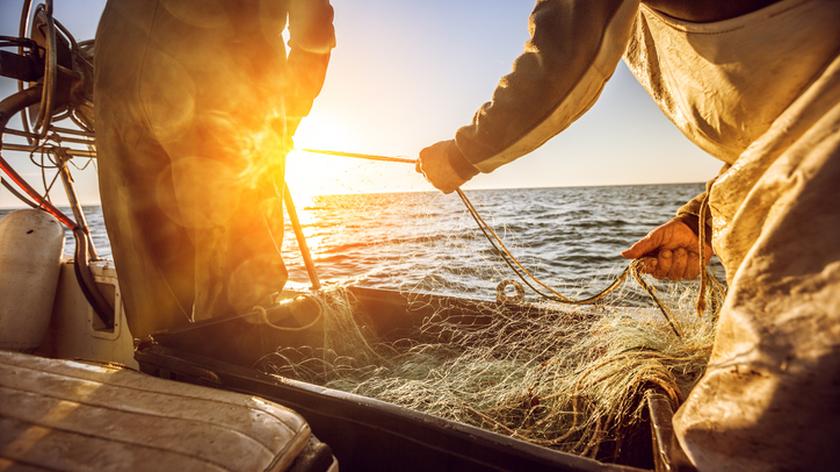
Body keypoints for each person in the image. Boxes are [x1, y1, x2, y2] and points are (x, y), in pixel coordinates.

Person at [416, 0, 839, 469]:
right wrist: (701, 223)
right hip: (808, 148)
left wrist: (460, 154)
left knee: (749, 440)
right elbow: (785, 118)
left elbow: (561, 58)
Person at [94, 0, 335, 338]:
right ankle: (221, 376)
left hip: (117, 66)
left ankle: (167, 375)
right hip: (223, 75)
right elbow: (313, 21)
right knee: (237, 296)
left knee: (149, 287)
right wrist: (288, 109)